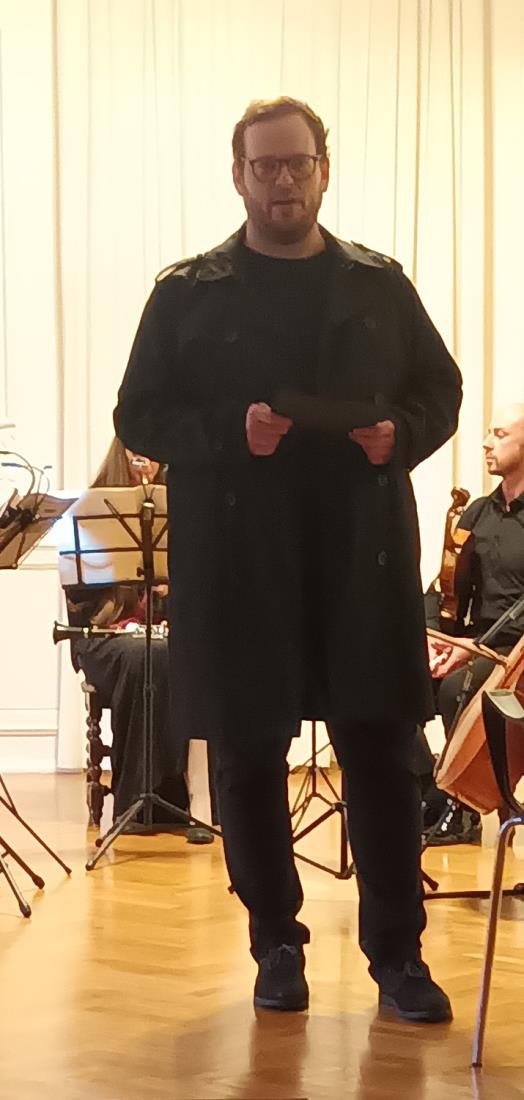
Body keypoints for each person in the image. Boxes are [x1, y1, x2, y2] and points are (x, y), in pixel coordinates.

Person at [114, 96, 462, 1022]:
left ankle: (399, 955)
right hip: (240, 563)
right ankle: (276, 942)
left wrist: (403, 435)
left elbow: (440, 387)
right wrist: (228, 435)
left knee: (382, 755)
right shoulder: (186, 292)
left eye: (296, 163)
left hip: (360, 558)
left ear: (323, 169)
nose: (281, 180)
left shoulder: (379, 284)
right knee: (248, 758)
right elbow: (139, 414)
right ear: (238, 176)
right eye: (264, 165)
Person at [67, 437, 213, 842]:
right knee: (146, 656)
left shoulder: (181, 503)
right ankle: (141, 799)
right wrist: (126, 574)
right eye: (136, 452)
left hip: (165, 632)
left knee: (179, 653)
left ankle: (191, 801)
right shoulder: (93, 508)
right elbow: (79, 593)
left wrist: (174, 587)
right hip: (107, 635)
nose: (145, 460)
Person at [422, 403, 524, 842]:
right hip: (476, 643)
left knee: (455, 689)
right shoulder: (477, 513)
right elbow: (443, 585)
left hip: (516, 652)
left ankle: (465, 812)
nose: (486, 443)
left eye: (499, 434)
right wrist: (431, 637)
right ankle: (431, 792)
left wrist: (470, 650)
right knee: (399, 682)